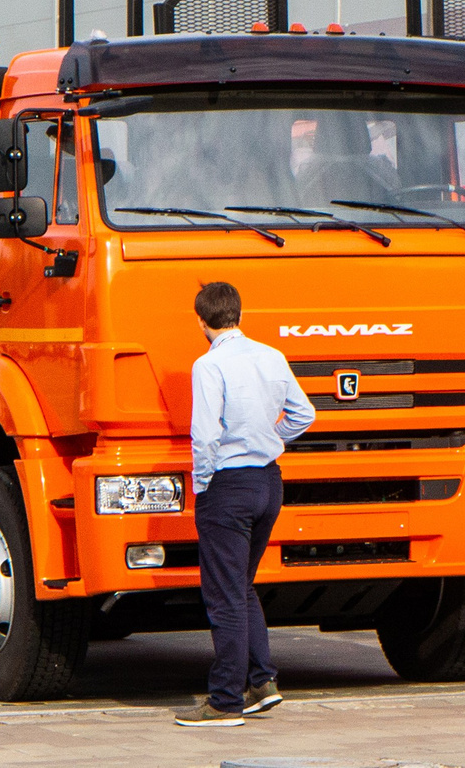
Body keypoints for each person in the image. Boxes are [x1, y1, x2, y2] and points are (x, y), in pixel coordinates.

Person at [175, 281, 317, 728]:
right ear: (238, 313)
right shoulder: (271, 356)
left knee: (224, 596)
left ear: (201, 320)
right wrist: (274, 440)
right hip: (269, 482)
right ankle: (262, 683)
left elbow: (205, 435)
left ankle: (224, 701)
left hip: (228, 486)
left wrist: (203, 484)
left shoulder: (208, 364)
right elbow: (305, 414)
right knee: (242, 585)